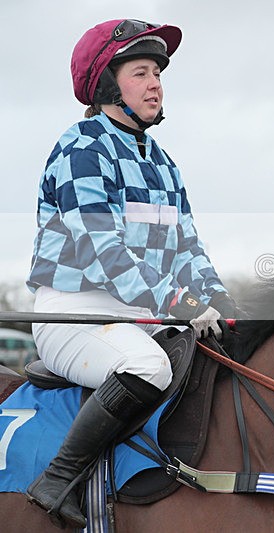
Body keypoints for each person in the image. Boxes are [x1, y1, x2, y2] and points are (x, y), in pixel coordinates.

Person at [25, 19, 236, 528]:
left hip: (139, 314)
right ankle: (57, 479)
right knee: (148, 367)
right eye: (140, 73)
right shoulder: (81, 149)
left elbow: (189, 248)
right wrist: (183, 303)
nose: (155, 84)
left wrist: (220, 299)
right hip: (73, 313)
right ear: (106, 85)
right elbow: (105, 255)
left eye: (158, 73)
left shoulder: (163, 162)